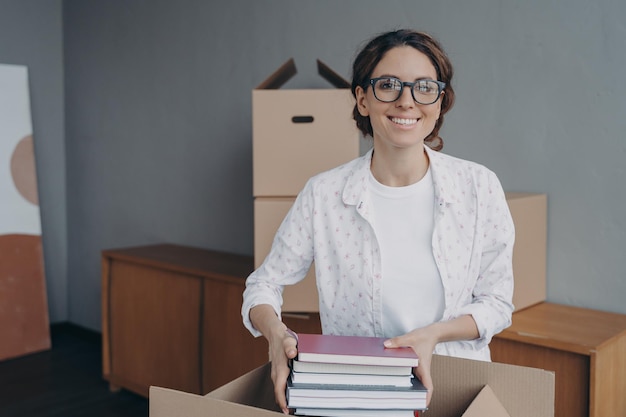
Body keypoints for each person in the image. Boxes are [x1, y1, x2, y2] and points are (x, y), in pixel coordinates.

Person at [242, 29, 515, 414]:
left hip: (454, 384)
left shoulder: (479, 187)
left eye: (424, 87)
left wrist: (432, 335)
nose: (407, 101)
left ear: (440, 101)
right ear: (362, 98)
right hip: (356, 389)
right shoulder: (324, 194)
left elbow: (497, 303)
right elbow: (263, 285)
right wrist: (275, 334)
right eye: (388, 85)